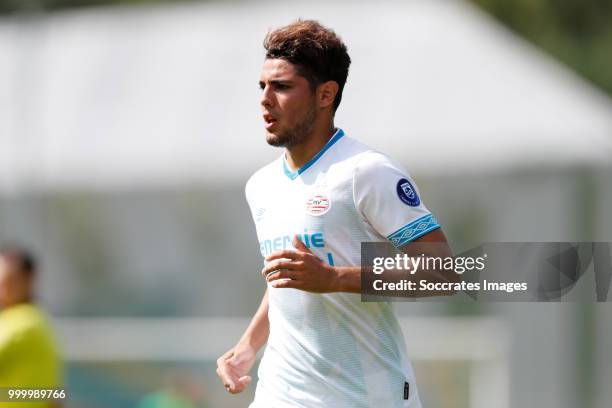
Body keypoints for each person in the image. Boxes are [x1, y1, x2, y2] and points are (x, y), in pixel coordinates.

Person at [216, 20, 456, 407]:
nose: (265, 98)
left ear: (326, 94)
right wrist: (247, 346)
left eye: (282, 86)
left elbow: (441, 274)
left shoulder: (366, 171)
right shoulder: (260, 185)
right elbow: (287, 279)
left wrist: (334, 278)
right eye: (262, 86)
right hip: (281, 392)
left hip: (364, 396)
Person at [0, 245, 63, 408]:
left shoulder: (23, 322)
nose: (2, 287)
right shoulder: (40, 322)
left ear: (29, 279)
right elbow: (53, 395)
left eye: (8, 280)